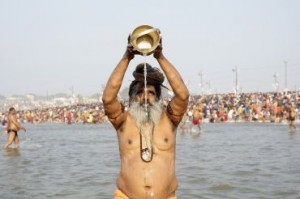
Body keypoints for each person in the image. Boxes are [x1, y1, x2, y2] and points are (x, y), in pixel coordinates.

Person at [102, 36, 189, 199]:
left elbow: (183, 95)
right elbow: (108, 98)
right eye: (139, 93)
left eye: (151, 93)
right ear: (132, 98)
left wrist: (160, 56)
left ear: (158, 98)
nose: (145, 97)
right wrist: (127, 57)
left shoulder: (170, 120)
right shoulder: (122, 121)